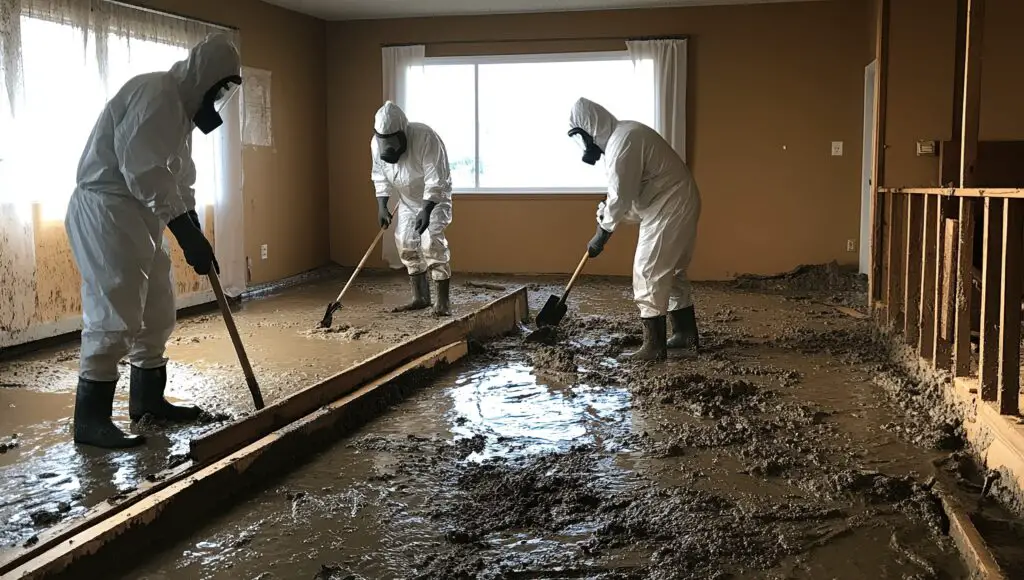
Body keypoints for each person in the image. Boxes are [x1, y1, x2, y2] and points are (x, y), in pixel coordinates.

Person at [65, 34, 242, 449]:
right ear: (203, 76)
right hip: (108, 208)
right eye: (218, 88)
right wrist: (184, 232)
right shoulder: (157, 95)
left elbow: (179, 178)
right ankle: (90, 420)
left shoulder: (181, 112)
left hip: (141, 213)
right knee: (116, 309)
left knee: (157, 307)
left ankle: (147, 401)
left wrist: (193, 227)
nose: (219, 97)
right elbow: (142, 169)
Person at [568, 97, 702, 361]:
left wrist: (601, 234)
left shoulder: (622, 142)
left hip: (671, 206)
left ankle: (653, 347)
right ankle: (685, 334)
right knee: (671, 272)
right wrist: (606, 215)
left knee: (648, 271)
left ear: (590, 129)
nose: (583, 144)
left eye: (581, 136)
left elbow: (621, 198)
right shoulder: (624, 136)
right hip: (675, 203)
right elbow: (631, 199)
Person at [371, 101, 454, 317]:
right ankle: (421, 298)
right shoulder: (374, 144)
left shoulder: (426, 138)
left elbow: (436, 178)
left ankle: (442, 303)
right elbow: (380, 175)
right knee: (405, 242)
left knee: (432, 243)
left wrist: (426, 210)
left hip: (434, 198)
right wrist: (382, 206)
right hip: (407, 200)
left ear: (403, 132)